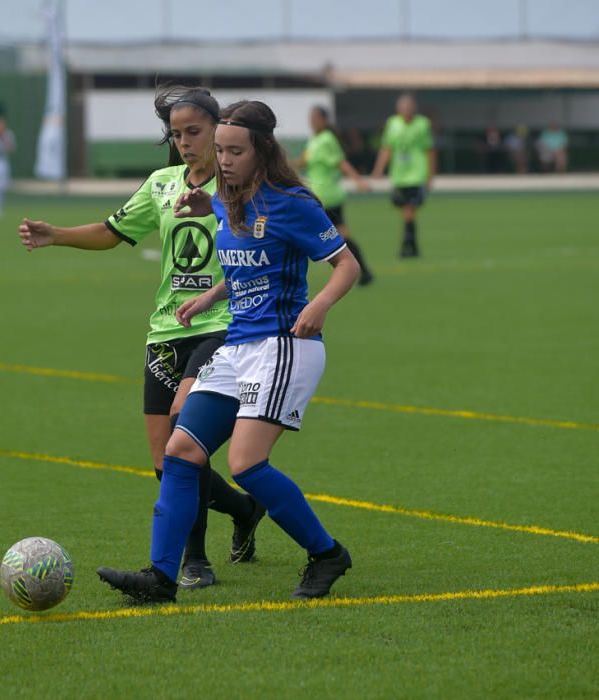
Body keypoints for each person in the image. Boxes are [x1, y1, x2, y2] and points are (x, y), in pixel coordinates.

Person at [98, 100, 360, 603]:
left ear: (262, 150)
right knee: (181, 452)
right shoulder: (225, 199)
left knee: (244, 464)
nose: (224, 160)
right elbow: (244, 264)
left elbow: (346, 265)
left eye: (235, 151)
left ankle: (327, 553)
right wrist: (211, 295)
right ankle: (161, 577)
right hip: (238, 345)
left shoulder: (292, 203)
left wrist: (322, 304)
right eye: (219, 150)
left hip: (285, 345)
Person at [18, 86, 264, 590]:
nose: (184, 142)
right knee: (163, 461)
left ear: (220, 128)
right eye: (175, 134)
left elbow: (265, 238)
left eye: (194, 132)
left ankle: (194, 560)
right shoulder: (162, 185)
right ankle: (243, 509)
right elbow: (112, 231)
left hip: (221, 328)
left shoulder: (240, 183)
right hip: (165, 332)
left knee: (184, 430)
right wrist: (56, 235)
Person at [296, 105, 373, 285]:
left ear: (324, 120)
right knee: (338, 234)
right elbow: (303, 162)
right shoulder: (314, 140)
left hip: (328, 196)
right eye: (311, 118)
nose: (312, 121)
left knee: (330, 234)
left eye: (315, 118)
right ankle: (362, 271)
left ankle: (354, 269)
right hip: (319, 197)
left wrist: (357, 180)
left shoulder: (327, 139)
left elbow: (341, 162)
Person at [371, 93, 436, 258]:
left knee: (409, 209)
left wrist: (430, 175)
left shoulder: (423, 124)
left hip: (416, 174)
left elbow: (429, 150)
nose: (406, 110)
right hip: (399, 175)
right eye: (403, 107)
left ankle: (408, 245)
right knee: (405, 210)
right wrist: (379, 169)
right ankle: (411, 245)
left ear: (414, 108)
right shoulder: (392, 123)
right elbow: (387, 147)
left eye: (408, 107)